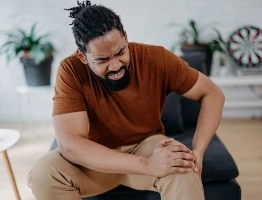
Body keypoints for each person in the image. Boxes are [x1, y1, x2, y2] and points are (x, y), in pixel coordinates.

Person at [27, 1, 225, 200]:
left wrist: (198, 151)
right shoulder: (70, 71)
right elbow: (70, 144)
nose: (115, 66)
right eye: (102, 60)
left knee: (183, 165)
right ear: (82, 56)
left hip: (147, 146)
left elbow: (213, 94)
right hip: (95, 161)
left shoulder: (156, 58)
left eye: (120, 52)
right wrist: (146, 165)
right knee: (43, 174)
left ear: (126, 38)